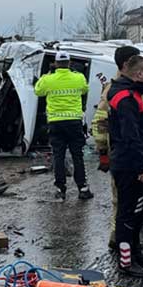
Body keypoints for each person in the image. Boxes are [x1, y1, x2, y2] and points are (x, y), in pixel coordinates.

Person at [107, 55, 143, 277]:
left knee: (139, 211)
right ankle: (125, 262)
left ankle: (136, 252)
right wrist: (141, 167)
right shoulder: (126, 98)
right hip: (129, 166)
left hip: (133, 163)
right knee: (128, 214)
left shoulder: (134, 94)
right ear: (138, 74)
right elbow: (131, 136)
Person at [94, 45, 143, 249]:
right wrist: (103, 152)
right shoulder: (114, 90)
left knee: (134, 203)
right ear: (126, 64)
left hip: (136, 151)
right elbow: (100, 121)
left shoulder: (135, 87)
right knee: (121, 201)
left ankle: (130, 239)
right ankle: (118, 238)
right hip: (122, 153)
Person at [35, 52, 93, 200]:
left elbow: (38, 91)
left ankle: (60, 189)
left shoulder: (48, 79)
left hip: (56, 122)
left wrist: (46, 74)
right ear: (69, 63)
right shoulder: (78, 77)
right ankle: (83, 188)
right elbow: (85, 89)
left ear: (55, 63)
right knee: (77, 155)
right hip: (74, 122)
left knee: (58, 155)